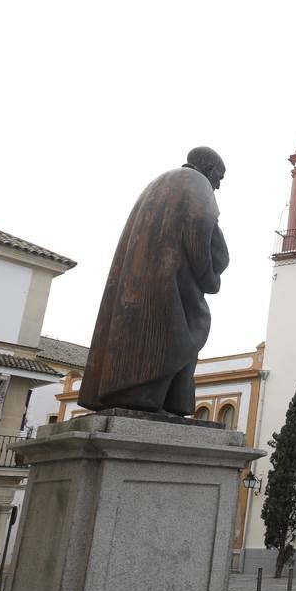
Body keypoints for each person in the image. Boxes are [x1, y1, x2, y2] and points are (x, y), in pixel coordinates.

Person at [79, 147, 230, 416]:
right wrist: (209, 277)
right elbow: (201, 227)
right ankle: (153, 399)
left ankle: (157, 398)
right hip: (171, 283)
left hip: (141, 282)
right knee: (178, 335)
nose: (217, 185)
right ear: (209, 170)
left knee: (142, 339)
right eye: (219, 177)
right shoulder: (197, 184)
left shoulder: (157, 185)